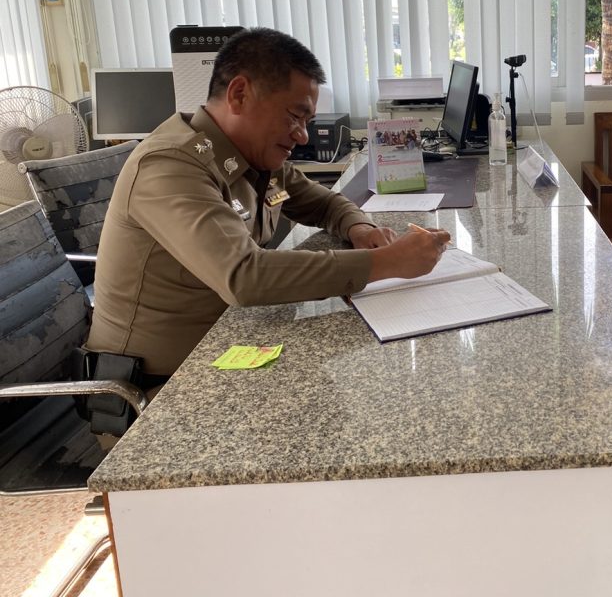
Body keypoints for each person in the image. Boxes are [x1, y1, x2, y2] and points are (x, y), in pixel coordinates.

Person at [85, 27, 449, 392]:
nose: (302, 135)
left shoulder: (255, 157)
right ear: (239, 94)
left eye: (307, 122)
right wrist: (388, 262)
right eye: (294, 116)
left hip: (230, 350)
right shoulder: (170, 165)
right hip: (157, 389)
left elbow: (324, 203)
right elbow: (246, 276)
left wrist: (360, 229)